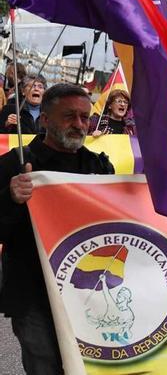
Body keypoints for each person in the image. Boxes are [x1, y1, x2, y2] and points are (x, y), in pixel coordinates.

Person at [0, 83, 115, 373]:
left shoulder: (99, 168)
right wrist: (11, 198)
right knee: (45, 367)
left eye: (84, 117)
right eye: (69, 116)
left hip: (87, 294)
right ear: (45, 120)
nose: (79, 125)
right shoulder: (14, 164)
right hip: (33, 295)